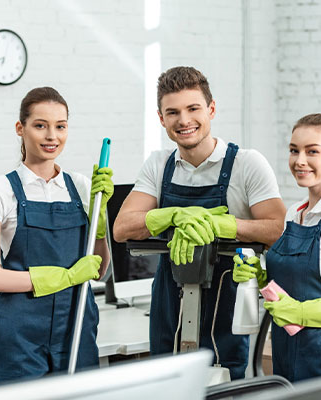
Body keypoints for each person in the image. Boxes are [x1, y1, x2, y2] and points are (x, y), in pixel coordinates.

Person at [113, 66, 286, 379]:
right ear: (161, 118)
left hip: (227, 300)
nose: (184, 120)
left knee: (222, 384)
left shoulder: (246, 164)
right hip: (169, 300)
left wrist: (224, 226)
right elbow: (123, 227)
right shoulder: (159, 164)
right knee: (165, 385)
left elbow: (277, 229)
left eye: (193, 108)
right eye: (173, 112)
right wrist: (174, 215)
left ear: (211, 109)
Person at [0, 87, 113, 386]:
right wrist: (61, 278)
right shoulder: (0, 190)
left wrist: (100, 224)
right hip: (17, 340)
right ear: (20, 128)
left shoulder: (81, 186)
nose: (52, 136)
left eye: (60, 126)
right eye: (40, 125)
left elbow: (98, 271)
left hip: (76, 328)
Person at [233, 113, 321, 382]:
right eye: (294, 150)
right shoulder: (294, 213)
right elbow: (293, 284)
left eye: (312, 151)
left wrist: (302, 313)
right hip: (288, 359)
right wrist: (259, 276)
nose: (299, 161)